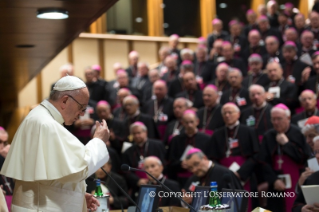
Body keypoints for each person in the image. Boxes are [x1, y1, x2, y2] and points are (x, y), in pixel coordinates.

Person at [1, 76, 110, 211]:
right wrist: (99, 141)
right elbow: (80, 168)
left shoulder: (39, 117)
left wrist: (77, 197)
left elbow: (48, 180)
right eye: (81, 107)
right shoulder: (46, 124)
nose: (82, 114)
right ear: (65, 100)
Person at [208, 103, 260, 211]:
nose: (227, 115)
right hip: (224, 175)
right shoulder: (217, 133)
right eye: (224, 113)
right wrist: (223, 173)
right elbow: (213, 158)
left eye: (230, 112)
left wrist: (240, 173)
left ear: (238, 114)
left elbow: (256, 155)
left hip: (245, 175)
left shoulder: (249, 131)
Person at [259, 104, 309, 212]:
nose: (276, 122)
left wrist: (286, 144)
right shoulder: (268, 135)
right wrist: (274, 180)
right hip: (276, 183)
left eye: (279, 119)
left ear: (288, 118)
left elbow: (304, 158)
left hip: (296, 180)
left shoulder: (299, 133)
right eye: (273, 119)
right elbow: (263, 162)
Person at [167, 110, 211, 187]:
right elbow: (171, 161)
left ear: (197, 122)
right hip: (181, 179)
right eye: (186, 123)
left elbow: (210, 158)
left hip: (201, 176)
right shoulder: (176, 140)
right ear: (182, 123)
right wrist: (181, 164)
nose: (189, 125)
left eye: (191, 122)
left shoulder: (206, 139)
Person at [122, 122, 166, 196]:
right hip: (139, 185)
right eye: (134, 133)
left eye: (139, 133)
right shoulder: (128, 151)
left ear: (145, 132)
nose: (136, 136)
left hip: (159, 182)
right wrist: (137, 180)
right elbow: (127, 171)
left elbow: (164, 163)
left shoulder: (158, 145)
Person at [292, 136, 319, 212]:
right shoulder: (312, 178)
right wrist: (302, 209)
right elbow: (295, 206)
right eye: (316, 152)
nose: (317, 156)